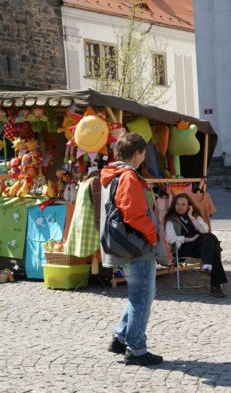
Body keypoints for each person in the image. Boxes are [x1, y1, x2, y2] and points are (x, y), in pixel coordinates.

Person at [101, 132, 169, 366]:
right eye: (144, 153)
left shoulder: (113, 175)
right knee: (142, 298)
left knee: (138, 295)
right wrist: (152, 237)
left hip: (124, 245)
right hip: (137, 246)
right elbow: (134, 214)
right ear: (138, 153)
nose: (144, 157)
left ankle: (120, 337)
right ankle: (136, 348)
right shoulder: (128, 176)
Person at [164, 193, 228, 297]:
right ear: (174, 206)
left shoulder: (194, 216)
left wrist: (191, 216)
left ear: (189, 206)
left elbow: (204, 230)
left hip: (200, 248)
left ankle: (208, 268)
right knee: (212, 244)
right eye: (178, 204)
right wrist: (187, 239)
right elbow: (170, 238)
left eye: (183, 204)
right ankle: (216, 285)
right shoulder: (171, 220)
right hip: (183, 248)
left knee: (210, 241)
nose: (180, 207)